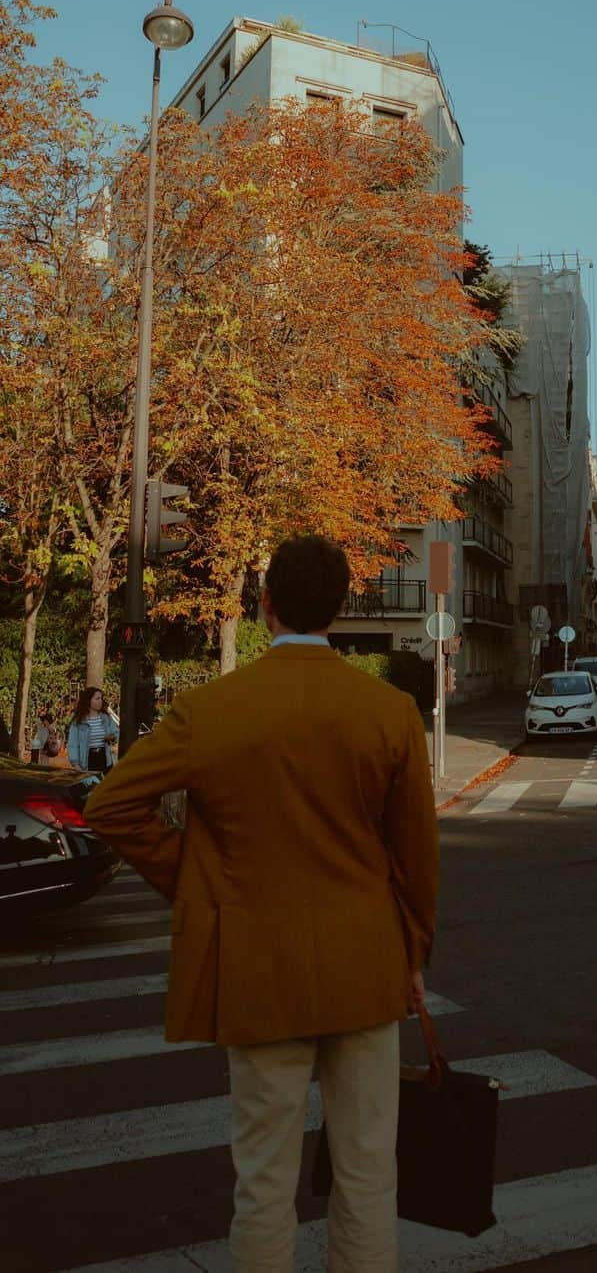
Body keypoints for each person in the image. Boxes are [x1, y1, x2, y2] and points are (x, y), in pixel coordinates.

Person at [83, 535, 438, 1272]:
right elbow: (416, 860)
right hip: (366, 965)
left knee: (264, 1183)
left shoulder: (212, 710)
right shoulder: (389, 711)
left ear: (265, 602)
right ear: (341, 607)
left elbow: (113, 803)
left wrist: (191, 877)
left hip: (254, 968)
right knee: (369, 1175)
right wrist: (413, 953)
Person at [67, 687, 119, 773]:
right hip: (87, 760)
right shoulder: (79, 722)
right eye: (97, 698)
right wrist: (75, 765)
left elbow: (116, 733)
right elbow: (72, 744)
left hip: (105, 759)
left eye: (101, 698)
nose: (100, 701)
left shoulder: (106, 718)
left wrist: (112, 737)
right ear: (88, 701)